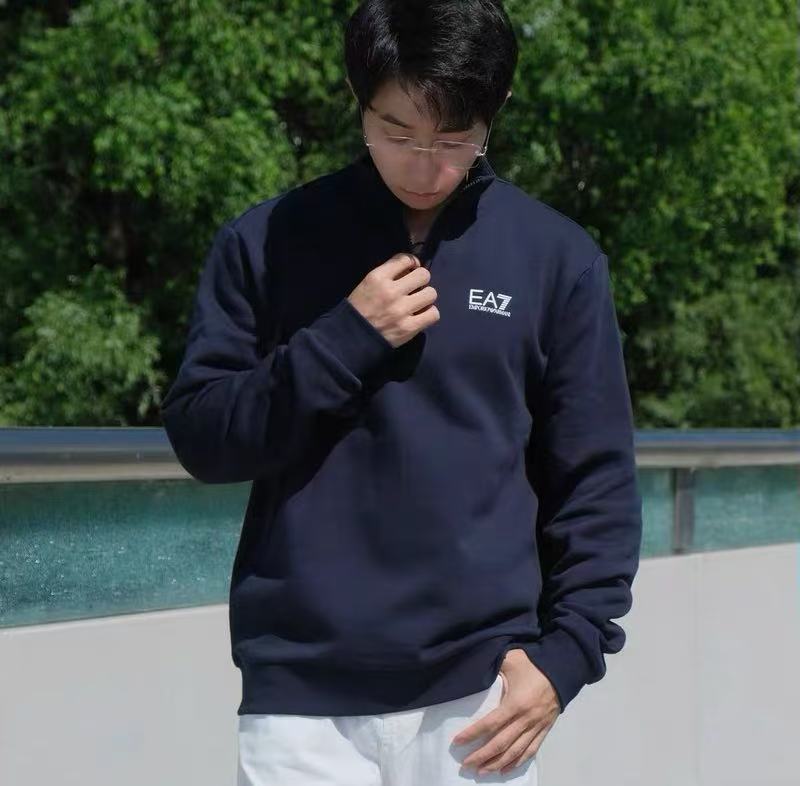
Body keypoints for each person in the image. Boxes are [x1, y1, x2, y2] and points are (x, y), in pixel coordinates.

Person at [160, 1, 643, 783]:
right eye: (396, 132)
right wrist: (344, 338)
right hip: (300, 696)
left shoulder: (558, 259)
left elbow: (596, 483)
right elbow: (203, 438)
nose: (424, 165)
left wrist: (565, 659)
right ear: (359, 101)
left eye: (454, 140)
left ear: (496, 110)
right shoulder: (268, 241)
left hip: (481, 693)